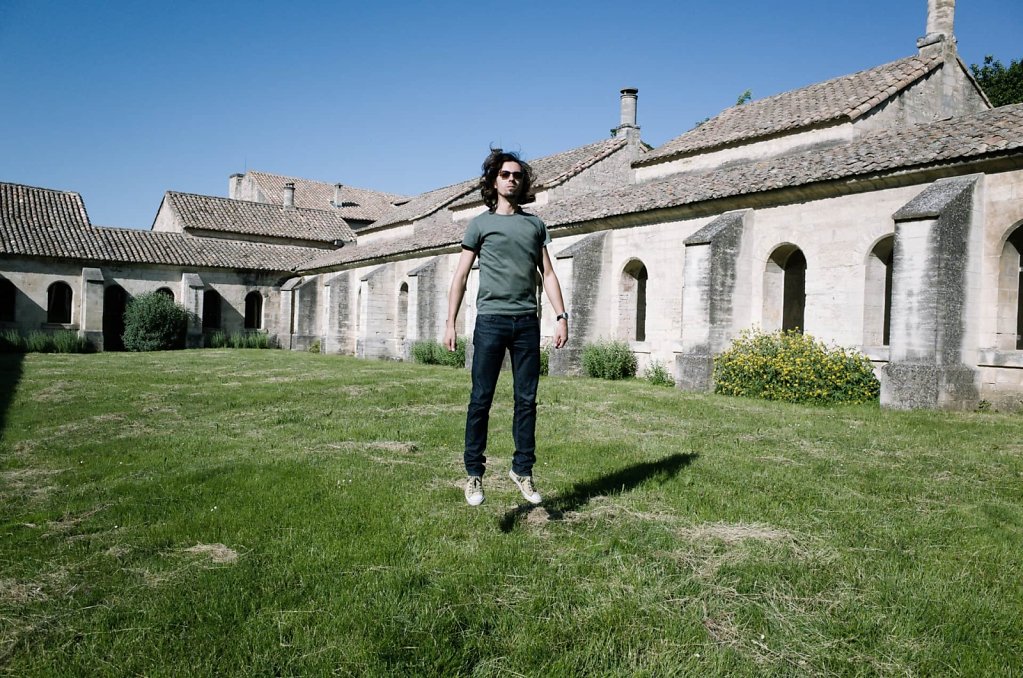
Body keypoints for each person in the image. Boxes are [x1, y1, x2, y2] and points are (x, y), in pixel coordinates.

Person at [444, 149, 569, 507]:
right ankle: (474, 474)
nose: (511, 179)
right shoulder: (479, 225)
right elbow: (461, 276)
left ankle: (522, 471)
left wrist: (561, 316)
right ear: (494, 181)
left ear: (522, 181)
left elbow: (548, 274)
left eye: (517, 175)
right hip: (491, 322)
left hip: (527, 322)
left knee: (526, 400)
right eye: (505, 174)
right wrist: (450, 322)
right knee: (480, 399)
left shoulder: (535, 225)